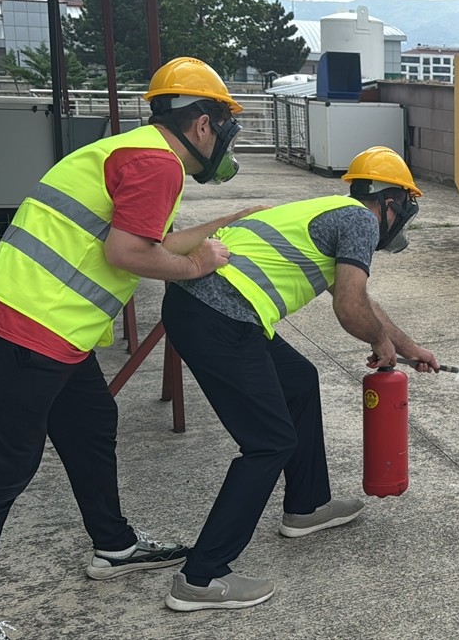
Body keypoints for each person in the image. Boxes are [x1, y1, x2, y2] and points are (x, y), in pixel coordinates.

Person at [0, 56, 262, 640]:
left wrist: (227, 223)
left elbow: (146, 237)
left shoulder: (134, 151)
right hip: (27, 330)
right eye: (226, 124)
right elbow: (126, 254)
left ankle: (114, 545)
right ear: (202, 124)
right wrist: (197, 265)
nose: (227, 138)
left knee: (91, 424)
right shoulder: (158, 164)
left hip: (48, 330)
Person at [158, 146, 439, 612]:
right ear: (394, 203)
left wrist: (408, 348)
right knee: (270, 443)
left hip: (211, 310)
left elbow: (361, 301)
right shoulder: (361, 222)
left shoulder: (324, 213)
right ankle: (201, 577)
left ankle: (306, 507)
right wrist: (380, 345)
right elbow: (350, 308)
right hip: (220, 318)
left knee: (299, 378)